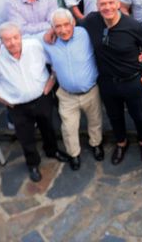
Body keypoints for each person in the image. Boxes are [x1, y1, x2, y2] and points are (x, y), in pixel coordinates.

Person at [0, 22, 71, 182]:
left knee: (48, 127)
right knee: (25, 137)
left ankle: (53, 151)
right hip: (17, 106)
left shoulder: (34, 46)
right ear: (0, 42)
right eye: (7, 40)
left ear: (21, 36)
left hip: (42, 98)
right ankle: (33, 164)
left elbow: (55, 59)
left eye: (15, 38)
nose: (12, 42)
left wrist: (52, 79)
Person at [81, 0, 142, 164]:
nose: (107, 7)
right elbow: (72, 27)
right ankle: (121, 143)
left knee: (139, 115)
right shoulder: (92, 21)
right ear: (97, 6)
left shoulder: (133, 26)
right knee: (114, 116)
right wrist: (53, 32)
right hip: (107, 82)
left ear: (117, 4)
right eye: (103, 4)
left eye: (110, 3)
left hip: (132, 81)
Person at [42, 9, 103, 171]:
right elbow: (19, 38)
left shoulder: (83, 34)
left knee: (95, 121)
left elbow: (98, 19)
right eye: (57, 26)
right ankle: (74, 154)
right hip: (66, 95)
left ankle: (96, 144)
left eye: (66, 25)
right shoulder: (48, 41)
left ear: (73, 23)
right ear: (52, 28)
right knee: (68, 128)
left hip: (90, 91)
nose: (63, 30)